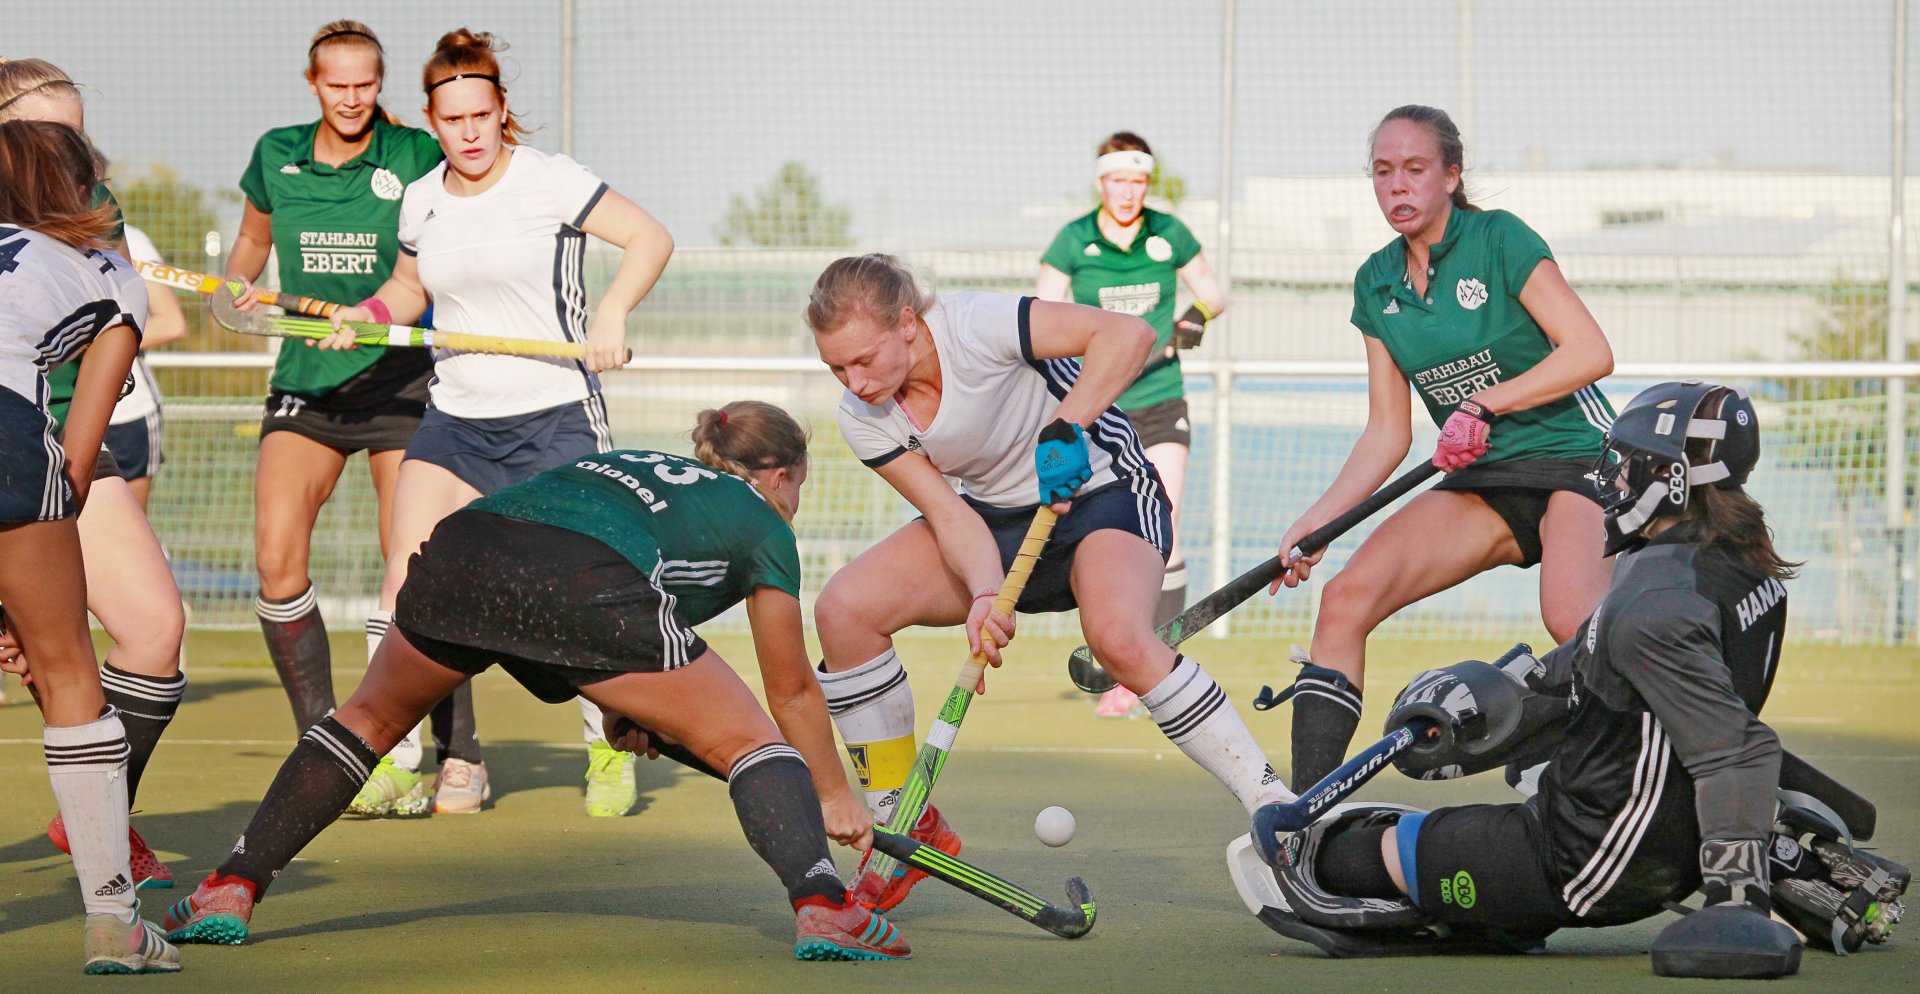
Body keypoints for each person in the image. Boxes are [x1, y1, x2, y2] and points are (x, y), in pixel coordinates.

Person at [160, 402, 910, 961]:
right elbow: (791, 692)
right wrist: (830, 792)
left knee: (368, 720)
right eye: (798, 487)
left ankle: (232, 883)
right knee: (751, 742)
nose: (794, 502)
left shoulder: (642, 469)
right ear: (779, 476)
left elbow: (577, 623)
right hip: (578, 576)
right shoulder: (763, 521)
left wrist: (629, 708)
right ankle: (822, 900)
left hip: (462, 549)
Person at [1238, 381, 1909, 977]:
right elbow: (1606, 674)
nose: (1609, 481)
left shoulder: (1654, 603)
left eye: (1626, 465)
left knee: (1331, 858)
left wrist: (1739, 902)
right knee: (1442, 823)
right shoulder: (1730, 565)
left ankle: (1490, 911)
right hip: (1644, 836)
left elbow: (1736, 748)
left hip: (1587, 859)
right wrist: (1485, 708)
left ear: (1673, 480)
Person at [807, 253, 1288, 912]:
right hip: (995, 525)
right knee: (844, 609)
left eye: (864, 359)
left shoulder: (975, 324)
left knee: (1119, 637)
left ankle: (1272, 801)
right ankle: (902, 822)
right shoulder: (864, 419)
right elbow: (949, 514)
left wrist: (1068, 425)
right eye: (837, 368)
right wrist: (983, 594)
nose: (854, 382)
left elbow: (1128, 336)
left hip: (1103, 490)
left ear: (909, 324)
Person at [308, 27, 673, 818]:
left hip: (554, 418)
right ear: (432, 124)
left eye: (481, 115)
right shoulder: (423, 197)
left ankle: (608, 744)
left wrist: (611, 310)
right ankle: (390, 758)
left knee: (581, 589)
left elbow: (650, 236)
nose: (468, 132)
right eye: (452, 120)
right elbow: (409, 289)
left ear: (502, 111)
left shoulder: (550, 181)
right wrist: (365, 316)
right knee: (404, 580)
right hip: (457, 421)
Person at [1268, 105, 1616, 791]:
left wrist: (1486, 401)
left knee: (1574, 621)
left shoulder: (1500, 239)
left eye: (1415, 169)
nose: (1397, 186)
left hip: (1576, 462)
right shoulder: (1375, 283)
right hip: (1485, 481)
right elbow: (1388, 432)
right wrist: (1319, 521)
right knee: (1344, 599)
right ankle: (1305, 820)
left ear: (1451, 176)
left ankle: (1642, 771)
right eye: (1383, 172)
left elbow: (1591, 351)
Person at [224, 21, 447, 816]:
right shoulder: (275, 152)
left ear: (379, 84)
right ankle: (325, 740)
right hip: (307, 386)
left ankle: (440, 749)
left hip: (397, 382)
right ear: (312, 83)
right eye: (336, 84)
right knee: (277, 562)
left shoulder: (414, 153)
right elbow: (251, 242)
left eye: (365, 84)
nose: (351, 98)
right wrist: (237, 289)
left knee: (414, 571)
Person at [1, 57, 189, 892]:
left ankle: (100, 823)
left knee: (152, 629)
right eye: (50, 130)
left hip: (61, 435)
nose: (70, 150)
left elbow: (118, 323)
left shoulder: (95, 205)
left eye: (77, 131)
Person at [1037, 131, 1226, 718]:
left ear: (1148, 184)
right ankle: (1122, 652)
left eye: (1138, 182)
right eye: (1118, 181)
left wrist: (1193, 317)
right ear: (1102, 182)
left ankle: (1152, 669)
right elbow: (1040, 315)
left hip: (1161, 402)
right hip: (1098, 409)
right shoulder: (1073, 241)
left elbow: (1214, 294)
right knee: (1110, 538)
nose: (1128, 192)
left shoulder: (1169, 234)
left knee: (1162, 526)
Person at [104, 225, 186, 509]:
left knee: (126, 533)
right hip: (54, 408)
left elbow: (171, 323)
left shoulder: (129, 238)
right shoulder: (29, 231)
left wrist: (98, 343)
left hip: (127, 415)